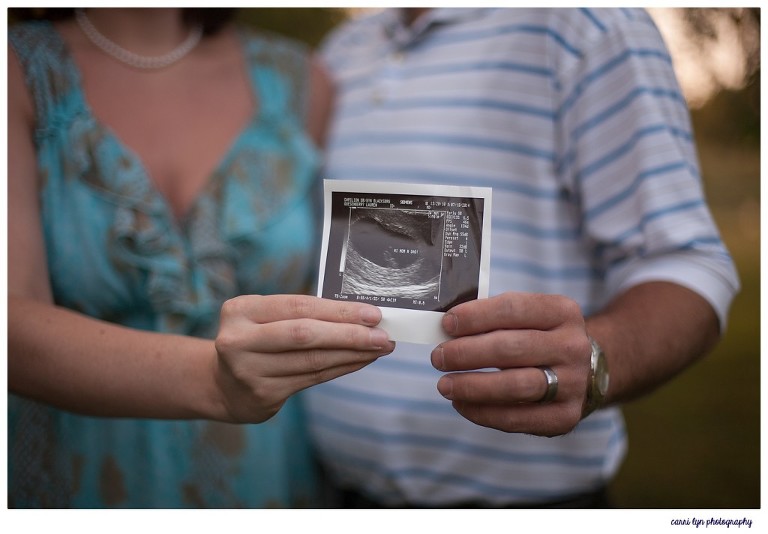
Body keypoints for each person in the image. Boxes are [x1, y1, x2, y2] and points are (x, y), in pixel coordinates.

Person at [304, 7, 740, 507]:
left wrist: (597, 360)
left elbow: (690, 263)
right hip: (333, 496)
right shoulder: (342, 50)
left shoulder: (589, 25)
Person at [7, 7, 395, 508]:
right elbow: (10, 321)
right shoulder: (18, 70)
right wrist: (213, 381)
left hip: (264, 480)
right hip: (78, 476)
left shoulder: (304, 80)